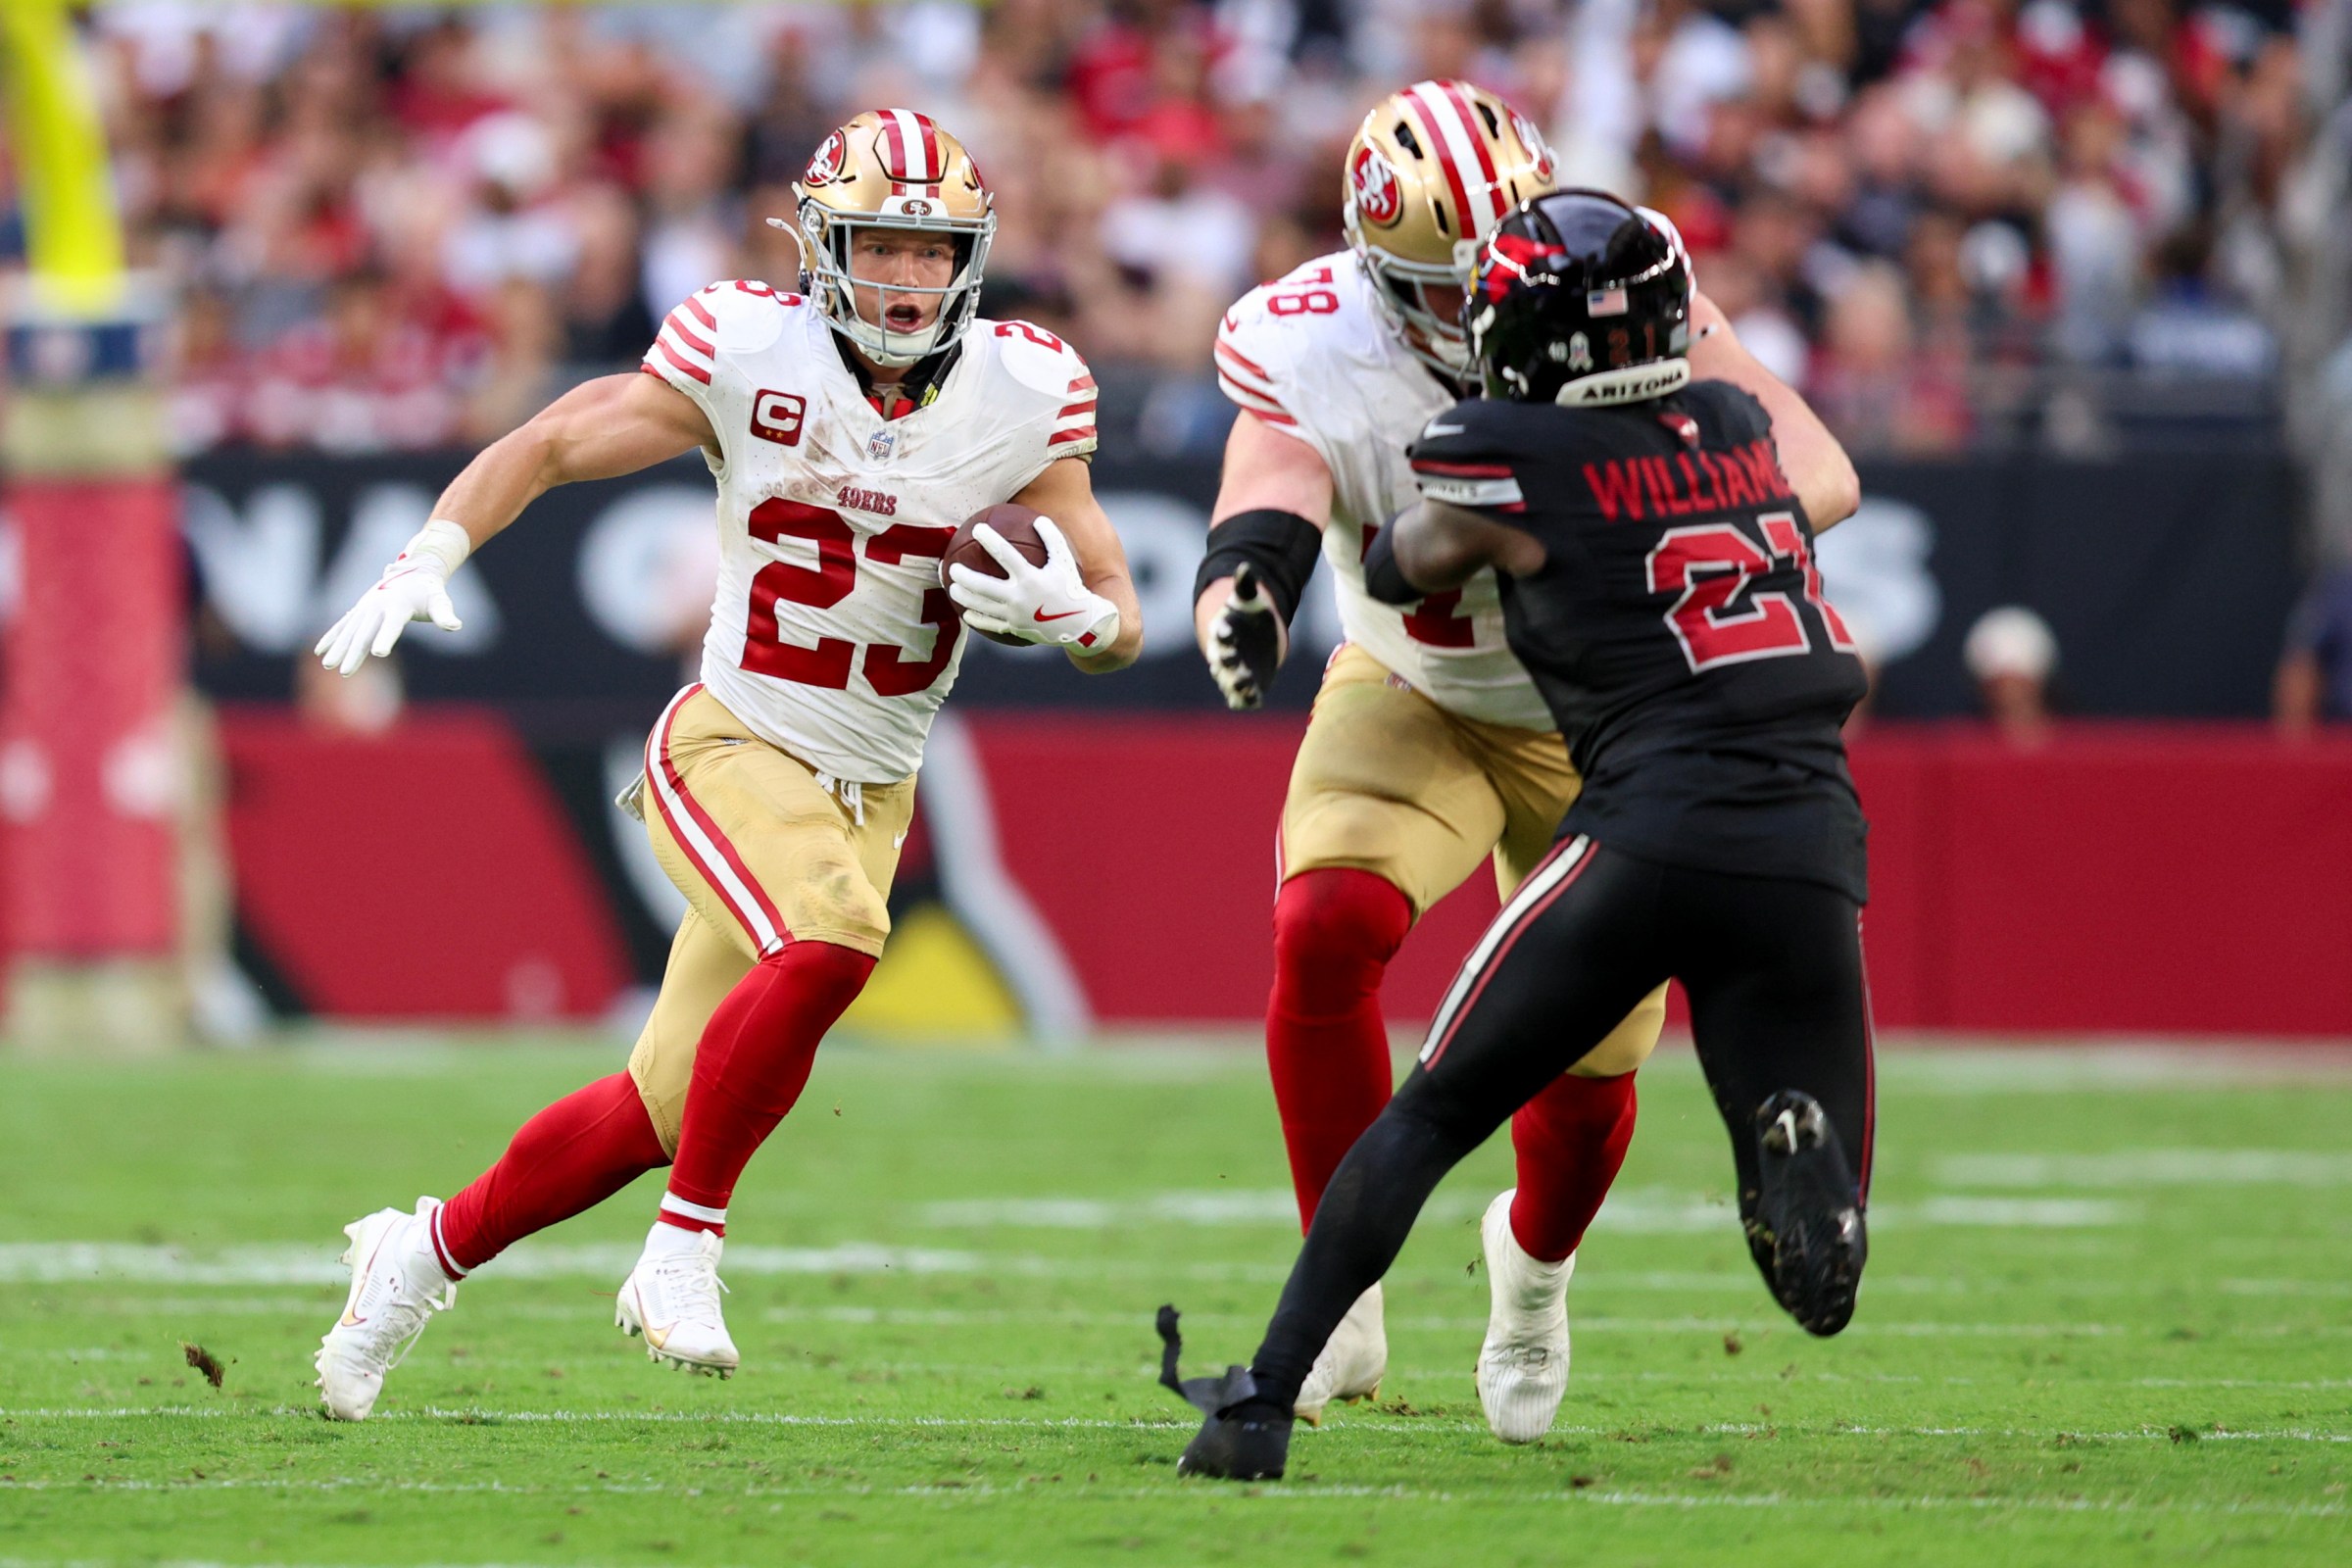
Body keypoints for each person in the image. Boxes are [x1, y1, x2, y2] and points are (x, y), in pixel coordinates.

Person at [308, 109, 1141, 1421]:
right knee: (837, 935)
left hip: (873, 790)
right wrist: (431, 551)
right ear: (822, 248)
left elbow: (1118, 609)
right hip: (734, 740)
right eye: (879, 247)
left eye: (931, 251)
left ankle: (418, 1254)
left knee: (658, 1108)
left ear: (970, 259)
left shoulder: (1026, 390)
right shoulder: (754, 351)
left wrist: (1080, 622)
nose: (906, 278)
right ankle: (685, 1248)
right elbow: (554, 439)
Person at [1167, 190, 1874, 1481]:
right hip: (1803, 822)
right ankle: (1796, 1180)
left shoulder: (1510, 442)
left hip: (1634, 802)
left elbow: (1403, 561)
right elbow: (1807, 475)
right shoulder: (1725, 424)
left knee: (1464, 1100)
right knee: (1333, 920)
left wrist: (1532, 500)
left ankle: (1322, 1368)